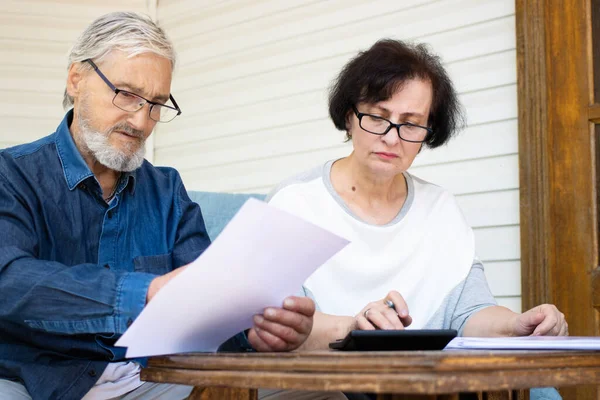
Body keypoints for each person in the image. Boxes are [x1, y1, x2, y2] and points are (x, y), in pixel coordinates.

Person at [0, 12, 344, 400]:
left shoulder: (167, 189)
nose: (142, 121)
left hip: (150, 376)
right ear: (76, 78)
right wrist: (144, 293)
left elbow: (209, 302)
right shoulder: (11, 174)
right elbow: (9, 281)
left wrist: (257, 331)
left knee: (320, 393)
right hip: (37, 381)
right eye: (127, 94)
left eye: (156, 104)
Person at [263, 39, 566, 399]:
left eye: (411, 124)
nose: (392, 138)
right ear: (349, 116)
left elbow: (470, 312)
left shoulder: (440, 208)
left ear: (427, 134)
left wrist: (517, 325)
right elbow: (278, 326)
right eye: (377, 117)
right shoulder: (295, 202)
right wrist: (353, 331)